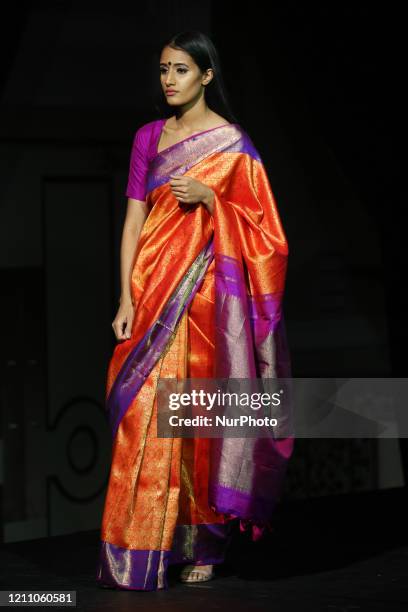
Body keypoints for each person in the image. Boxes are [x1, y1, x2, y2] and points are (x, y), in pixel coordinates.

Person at [96, 30, 294, 591]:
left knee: (197, 425)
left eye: (180, 70)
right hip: (152, 291)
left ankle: (202, 543)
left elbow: (268, 236)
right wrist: (126, 298)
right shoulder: (148, 138)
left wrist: (213, 200)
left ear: (206, 75)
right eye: (163, 69)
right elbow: (134, 220)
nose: (168, 80)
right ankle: (136, 550)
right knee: (140, 420)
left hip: (209, 300)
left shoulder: (233, 144)